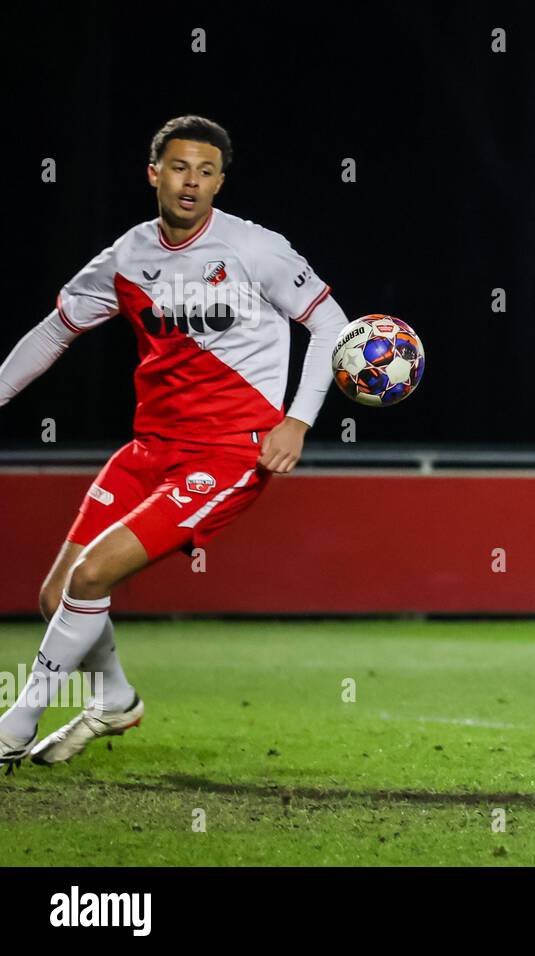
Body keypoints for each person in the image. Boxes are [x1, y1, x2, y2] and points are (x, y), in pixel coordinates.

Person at [0, 115, 350, 770]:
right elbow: (54, 332)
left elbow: (331, 325)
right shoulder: (128, 256)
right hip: (148, 449)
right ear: (154, 174)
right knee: (59, 597)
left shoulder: (257, 248)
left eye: (206, 171)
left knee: (93, 575)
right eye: (180, 168)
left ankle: (14, 724)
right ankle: (115, 697)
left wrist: (297, 420)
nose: (192, 183)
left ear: (220, 181)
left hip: (228, 454)